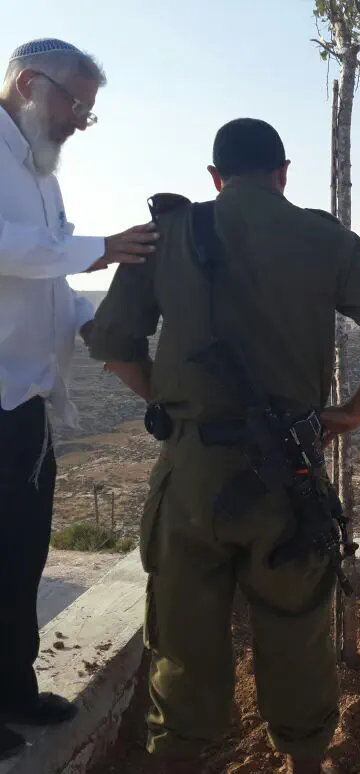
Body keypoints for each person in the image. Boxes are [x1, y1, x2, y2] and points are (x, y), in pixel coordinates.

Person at [86, 118, 360, 774]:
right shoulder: (323, 236)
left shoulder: (168, 233)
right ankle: (304, 759)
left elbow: (114, 346)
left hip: (192, 473)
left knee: (182, 637)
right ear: (283, 174)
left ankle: (177, 756)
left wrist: (167, 402)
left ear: (215, 178)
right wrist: (354, 410)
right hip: (287, 474)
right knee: (297, 631)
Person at [0, 38, 157, 761]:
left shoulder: (38, 170)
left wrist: (98, 327)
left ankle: (12, 688)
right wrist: (102, 248)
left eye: (88, 111)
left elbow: (49, 281)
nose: (80, 122)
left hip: (23, 402)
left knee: (21, 554)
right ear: (29, 83)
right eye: (76, 104)